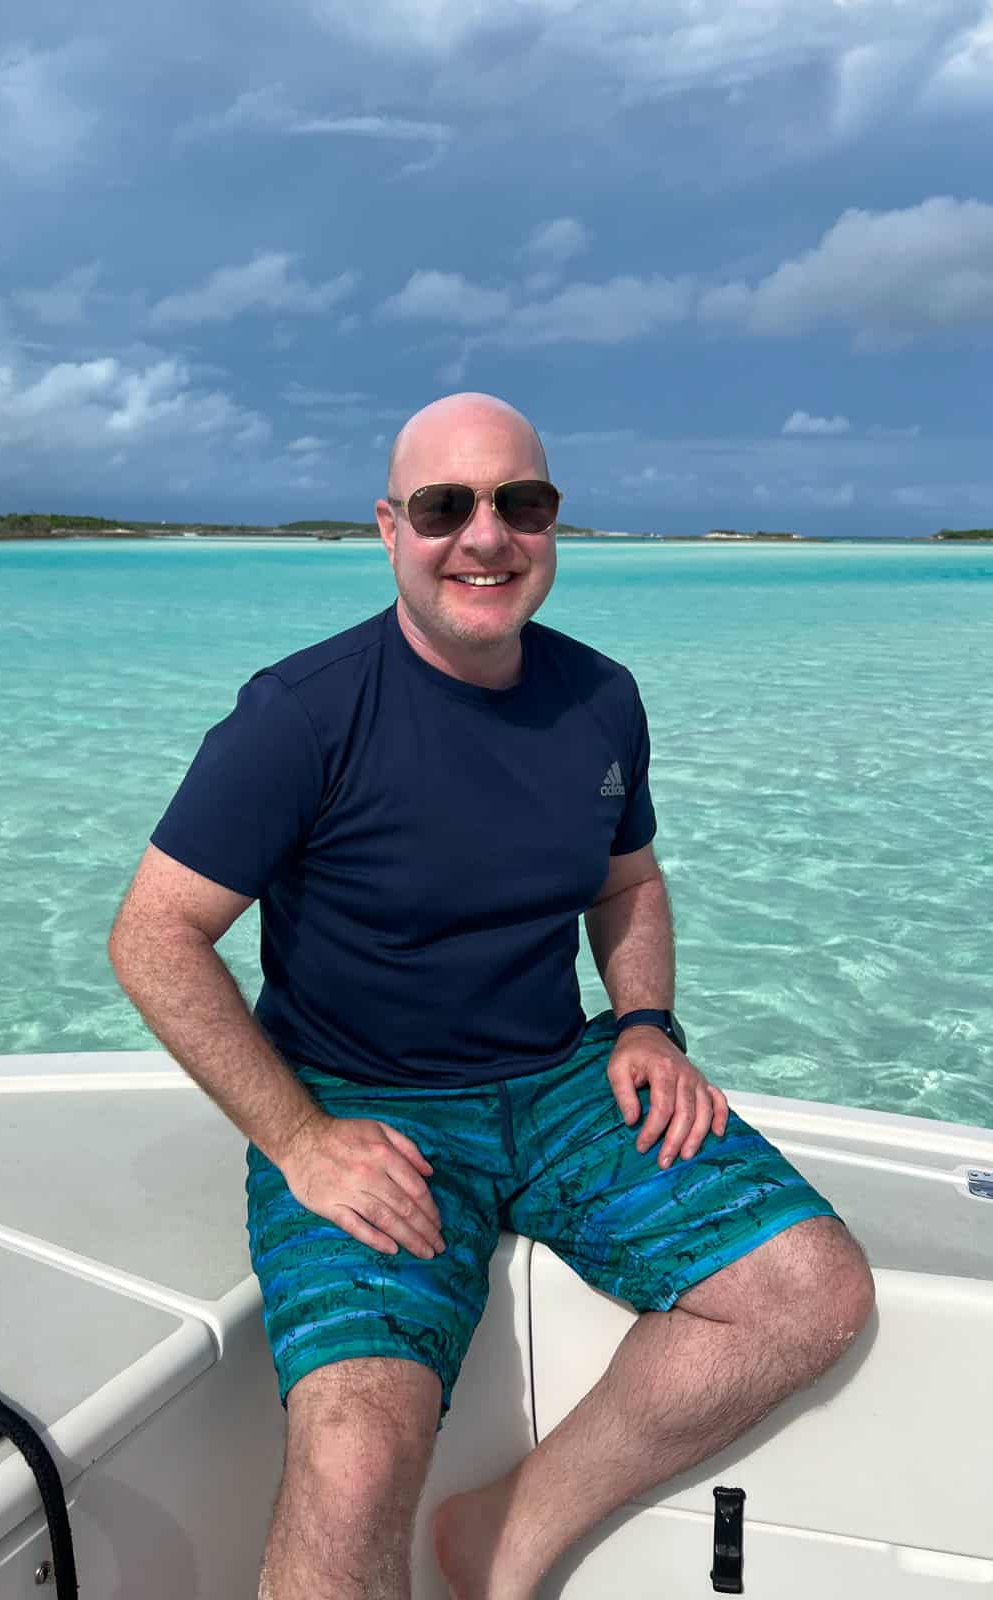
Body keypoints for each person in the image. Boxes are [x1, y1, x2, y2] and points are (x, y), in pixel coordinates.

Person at [107, 392, 875, 1600]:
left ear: (553, 521)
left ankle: (503, 1534)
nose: (485, 535)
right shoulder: (300, 715)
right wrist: (300, 1139)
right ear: (388, 528)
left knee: (809, 1290)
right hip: (366, 1104)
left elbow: (629, 884)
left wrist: (645, 1024)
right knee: (356, 1447)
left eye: (520, 502)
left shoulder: (600, 697)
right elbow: (155, 935)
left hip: (564, 1078)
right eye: (444, 506)